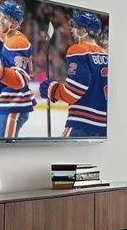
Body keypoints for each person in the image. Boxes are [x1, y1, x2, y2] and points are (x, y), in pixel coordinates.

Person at [39, 9, 108, 138]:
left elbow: (74, 91)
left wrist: (52, 89)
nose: (72, 30)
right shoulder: (106, 54)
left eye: (75, 27)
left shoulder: (78, 50)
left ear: (83, 31)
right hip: (104, 126)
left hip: (82, 124)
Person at [0, 0, 34, 139]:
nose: (0, 20)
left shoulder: (18, 42)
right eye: (0, 15)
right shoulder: (0, 38)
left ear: (15, 23)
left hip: (12, 103)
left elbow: (20, 79)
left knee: (0, 150)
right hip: (1, 103)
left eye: (5, 18)